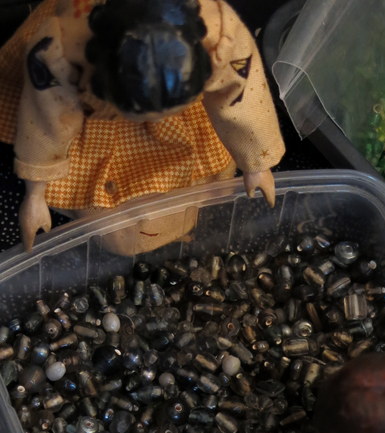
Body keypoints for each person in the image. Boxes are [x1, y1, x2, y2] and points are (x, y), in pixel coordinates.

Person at [0, 0, 285, 252]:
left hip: (178, 88)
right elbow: (45, 124)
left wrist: (256, 163)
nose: (156, 121)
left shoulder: (218, 33)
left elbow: (241, 95)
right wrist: (35, 193)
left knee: (211, 177)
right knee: (115, 227)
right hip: (90, 107)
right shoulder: (59, 52)